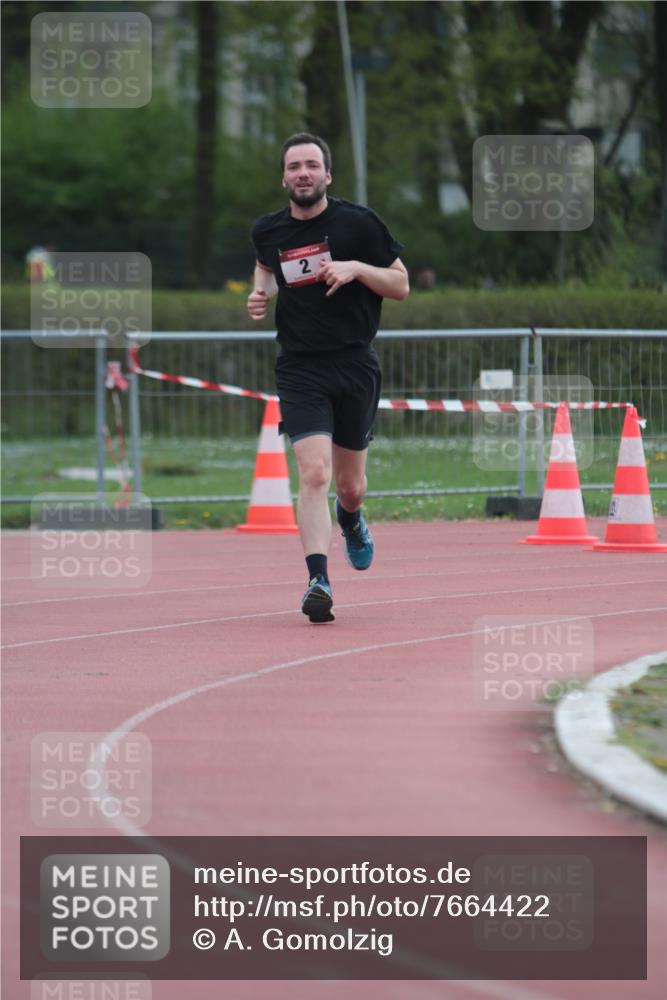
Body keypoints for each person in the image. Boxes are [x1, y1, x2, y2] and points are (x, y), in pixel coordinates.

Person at [247, 132, 409, 623]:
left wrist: (357, 268)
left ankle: (352, 519)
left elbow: (401, 285)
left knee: (350, 484)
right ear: (283, 177)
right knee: (314, 473)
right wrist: (260, 295)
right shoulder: (268, 230)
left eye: (311, 165)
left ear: (327, 174)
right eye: (294, 165)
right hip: (300, 367)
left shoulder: (358, 224)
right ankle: (318, 580)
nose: (302, 173)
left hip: (355, 363)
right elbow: (265, 267)